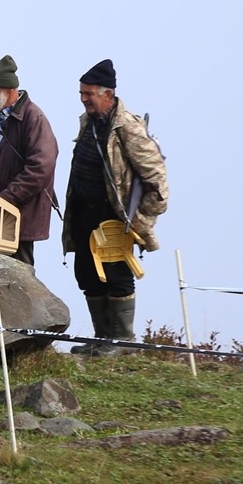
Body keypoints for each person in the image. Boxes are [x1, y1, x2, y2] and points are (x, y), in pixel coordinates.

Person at [61, 59, 169, 355]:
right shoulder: (89, 122)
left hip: (113, 216)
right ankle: (102, 337)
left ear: (107, 94)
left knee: (117, 274)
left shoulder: (128, 128)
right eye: (81, 94)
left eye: (89, 94)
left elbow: (157, 181)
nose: (83, 99)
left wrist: (139, 223)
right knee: (86, 272)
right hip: (84, 211)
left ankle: (122, 341)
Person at [0, 54, 59, 266]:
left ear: (6, 88)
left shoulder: (33, 118)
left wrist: (5, 198)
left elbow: (41, 166)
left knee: (18, 284)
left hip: (19, 219)